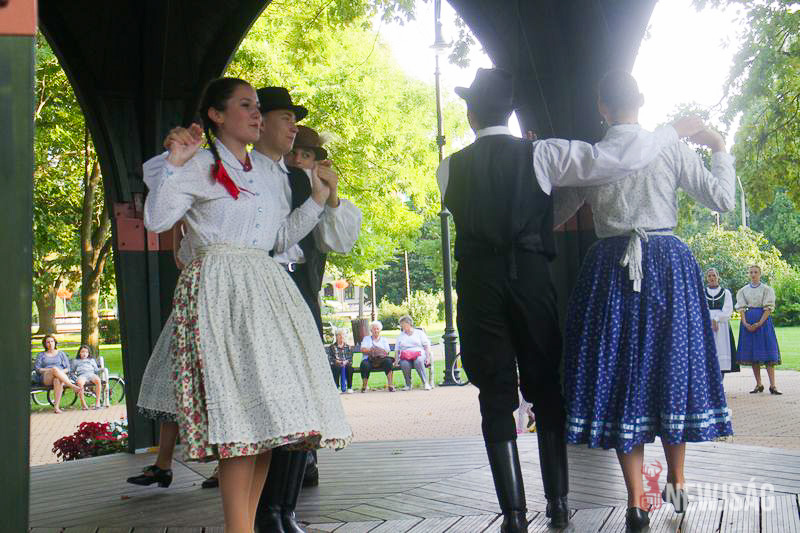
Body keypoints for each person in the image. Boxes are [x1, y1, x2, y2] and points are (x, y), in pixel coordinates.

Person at [437, 67, 704, 532]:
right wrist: (670, 132)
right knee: (545, 388)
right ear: (511, 111)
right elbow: (614, 160)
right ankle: (558, 505)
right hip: (530, 279)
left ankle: (514, 516)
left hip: (478, 286)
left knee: (494, 395)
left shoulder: (449, 168)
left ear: (470, 115)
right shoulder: (543, 153)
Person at [142, 77, 352, 533]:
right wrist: (175, 164)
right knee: (238, 423)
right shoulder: (198, 163)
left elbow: (278, 239)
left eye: (258, 106)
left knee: (262, 427)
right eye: (245, 105)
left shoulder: (269, 174)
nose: (256, 114)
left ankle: (247, 525)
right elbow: (157, 219)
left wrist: (318, 200)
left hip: (264, 289)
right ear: (216, 115)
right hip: (219, 289)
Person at [554, 71, 735, 532]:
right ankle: (676, 481)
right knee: (670, 368)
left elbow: (553, 215)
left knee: (623, 379)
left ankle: (636, 502)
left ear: (602, 107)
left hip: (609, 269)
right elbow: (722, 199)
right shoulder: (668, 147)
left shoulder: (593, 158)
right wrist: (718, 148)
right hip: (668, 266)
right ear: (641, 100)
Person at [735, 265, 782, 394]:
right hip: (748, 321)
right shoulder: (743, 290)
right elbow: (741, 308)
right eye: (751, 272)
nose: (753, 274)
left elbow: (768, 308)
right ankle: (758, 384)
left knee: (768, 352)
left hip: (763, 323)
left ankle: (773, 385)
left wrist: (760, 323)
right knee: (753, 354)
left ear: (760, 274)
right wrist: (745, 323)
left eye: (755, 272)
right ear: (748, 274)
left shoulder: (766, 289)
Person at [33, 334, 81, 414]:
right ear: (45, 344)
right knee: (54, 369)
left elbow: (68, 368)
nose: (50, 343)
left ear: (55, 343)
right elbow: (38, 369)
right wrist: (52, 370)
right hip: (46, 377)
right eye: (48, 342)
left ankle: (56, 407)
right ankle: (71, 386)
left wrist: (58, 373)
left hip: (60, 376)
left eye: (52, 341)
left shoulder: (61, 354)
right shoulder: (41, 355)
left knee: (57, 379)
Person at [705, 268, 739, 376]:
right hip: (706, 325)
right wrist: (710, 320)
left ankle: (720, 381)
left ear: (718, 277)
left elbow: (728, 310)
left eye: (714, 275)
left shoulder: (725, 292)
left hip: (722, 326)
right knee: (708, 352)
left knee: (722, 350)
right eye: (709, 276)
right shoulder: (702, 292)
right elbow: (700, 308)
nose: (712, 278)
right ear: (706, 278)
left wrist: (716, 319)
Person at [395, 315, 432, 391]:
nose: (402, 327)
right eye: (401, 325)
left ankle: (425, 383)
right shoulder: (401, 336)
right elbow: (397, 349)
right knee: (404, 363)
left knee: (418, 361)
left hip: (419, 353)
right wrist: (396, 361)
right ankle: (408, 384)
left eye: (403, 325)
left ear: (409, 324)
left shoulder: (419, 333)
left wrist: (428, 358)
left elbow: (426, 346)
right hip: (406, 355)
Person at [358, 320, 395, 392]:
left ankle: (390, 385)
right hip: (369, 359)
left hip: (381, 359)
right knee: (364, 364)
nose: (376, 330)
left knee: (388, 361)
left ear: (380, 330)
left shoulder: (384, 339)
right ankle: (364, 386)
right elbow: (362, 349)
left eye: (377, 329)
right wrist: (374, 351)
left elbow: (387, 351)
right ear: (371, 330)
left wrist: (375, 351)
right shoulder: (366, 339)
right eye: (374, 329)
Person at [71, 345, 103, 410]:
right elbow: (72, 371)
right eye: (82, 352)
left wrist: (102, 369)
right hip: (82, 375)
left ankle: (98, 402)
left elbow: (96, 370)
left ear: (88, 353)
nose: (84, 354)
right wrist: (75, 378)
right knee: (80, 383)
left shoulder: (91, 360)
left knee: (98, 380)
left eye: (86, 352)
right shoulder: (76, 361)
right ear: (79, 353)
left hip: (91, 374)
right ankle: (83, 404)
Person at [327, 328, 355, 393]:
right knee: (336, 367)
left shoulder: (349, 347)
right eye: (339, 335)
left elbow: (350, 358)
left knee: (350, 367)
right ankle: (336, 387)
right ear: (336, 337)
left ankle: (349, 387)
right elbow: (330, 358)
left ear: (345, 336)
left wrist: (345, 362)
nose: (341, 336)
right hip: (336, 364)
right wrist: (338, 361)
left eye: (343, 335)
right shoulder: (332, 347)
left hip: (346, 363)